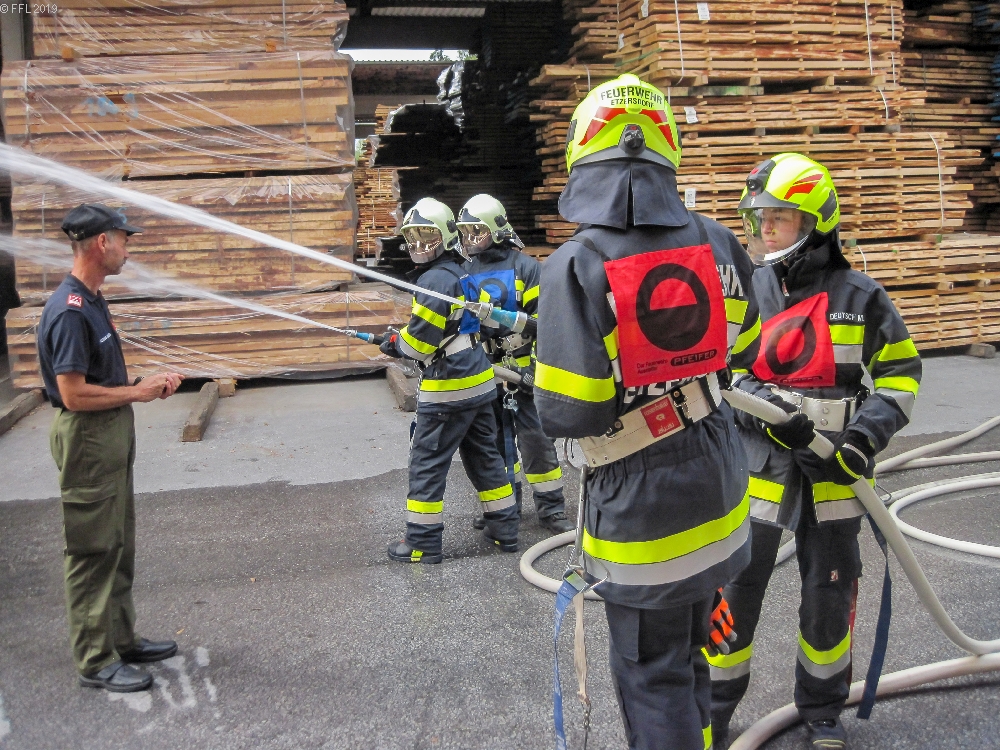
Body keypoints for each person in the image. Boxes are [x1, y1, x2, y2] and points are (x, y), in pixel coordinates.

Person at [534, 74, 763, 750]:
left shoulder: (576, 264)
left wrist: (545, 351)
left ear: (584, 152)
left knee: (654, 676)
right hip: (718, 486)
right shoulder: (719, 241)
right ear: (668, 151)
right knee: (692, 656)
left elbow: (572, 412)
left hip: (644, 512)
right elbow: (747, 346)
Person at [708, 153, 922, 749]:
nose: (765, 229)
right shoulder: (749, 291)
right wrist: (772, 415)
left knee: (830, 593)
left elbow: (901, 374)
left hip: (835, 470)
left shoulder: (861, 296)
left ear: (814, 223)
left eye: (778, 218)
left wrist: (863, 438)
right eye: (760, 219)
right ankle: (714, 708)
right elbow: (723, 371)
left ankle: (823, 710)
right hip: (759, 468)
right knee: (733, 592)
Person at [37, 204, 185, 693]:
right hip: (88, 437)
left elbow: (97, 377)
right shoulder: (69, 311)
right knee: (92, 548)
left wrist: (143, 384)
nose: (128, 249)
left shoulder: (93, 300)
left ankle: (121, 639)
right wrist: (137, 394)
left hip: (109, 432)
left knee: (118, 542)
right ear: (102, 242)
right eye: (125, 239)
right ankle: (95, 659)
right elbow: (73, 394)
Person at [381, 197, 520, 563]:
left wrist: (394, 343)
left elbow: (419, 345)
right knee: (485, 458)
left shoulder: (432, 281)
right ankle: (505, 530)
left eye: (426, 236)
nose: (418, 245)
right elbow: (479, 322)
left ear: (444, 237)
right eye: (412, 237)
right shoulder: (462, 274)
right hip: (479, 384)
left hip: (448, 390)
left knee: (427, 464)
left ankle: (422, 543)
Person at [456, 194, 574, 536]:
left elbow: (546, 325)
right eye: (465, 232)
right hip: (486, 373)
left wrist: (535, 369)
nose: (469, 239)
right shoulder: (464, 273)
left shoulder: (526, 268)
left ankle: (551, 509)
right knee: (493, 445)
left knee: (537, 441)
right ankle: (503, 508)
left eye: (476, 231)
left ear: (497, 230)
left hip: (525, 373)